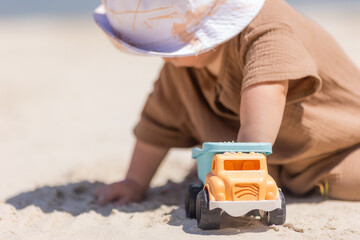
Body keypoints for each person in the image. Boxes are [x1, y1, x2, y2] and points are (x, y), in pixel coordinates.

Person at [93, 0, 360, 205]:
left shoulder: (267, 27)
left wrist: (242, 175)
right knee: (214, 169)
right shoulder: (180, 67)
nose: (164, 57)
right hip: (276, 164)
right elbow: (158, 123)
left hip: (334, 151)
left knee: (349, 182)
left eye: (167, 46)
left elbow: (267, 93)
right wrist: (135, 181)